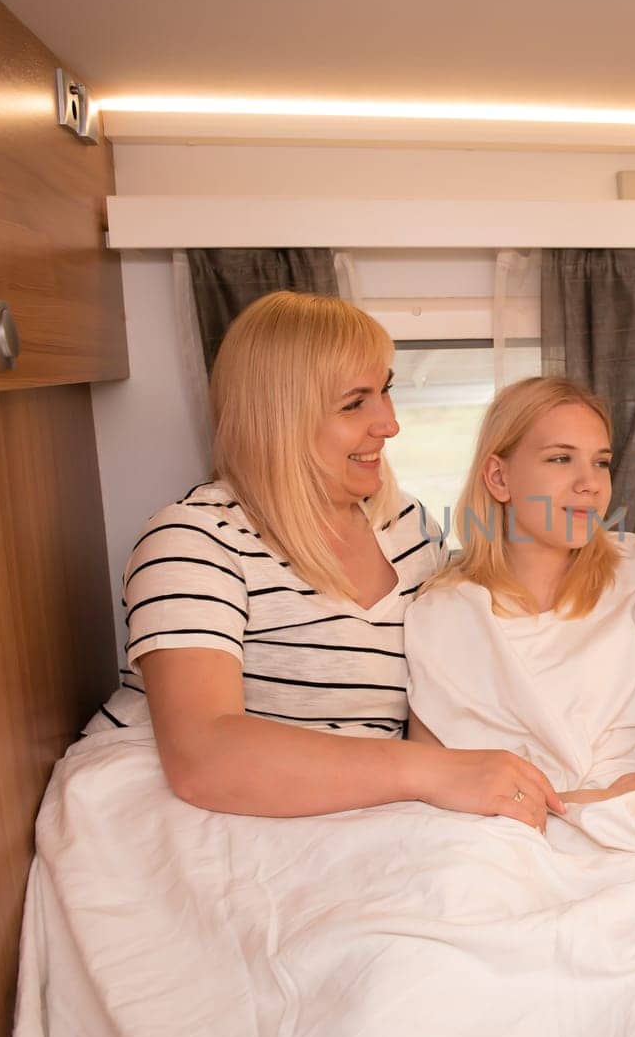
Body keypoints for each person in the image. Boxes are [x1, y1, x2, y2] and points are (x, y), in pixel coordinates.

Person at [88, 290, 563, 826]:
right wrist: (432, 772)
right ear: (279, 418)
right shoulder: (194, 541)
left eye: (386, 391)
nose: (389, 423)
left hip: (356, 817)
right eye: (354, 403)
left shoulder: (408, 528)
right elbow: (204, 759)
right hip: (198, 816)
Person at [405, 376, 635, 823]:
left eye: (601, 462)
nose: (590, 483)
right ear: (499, 477)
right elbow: (431, 781)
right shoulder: (442, 615)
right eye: (560, 459)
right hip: (501, 838)